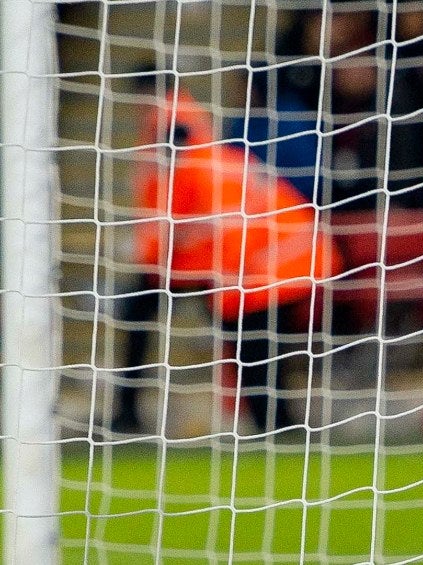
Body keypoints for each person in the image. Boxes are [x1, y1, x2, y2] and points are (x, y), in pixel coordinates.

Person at [113, 80, 342, 434]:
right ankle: (275, 422)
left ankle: (276, 422)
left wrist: (219, 289)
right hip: (281, 254)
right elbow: (191, 233)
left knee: (250, 337)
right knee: (246, 336)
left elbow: (223, 231)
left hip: (284, 257)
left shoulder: (203, 168)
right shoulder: (205, 161)